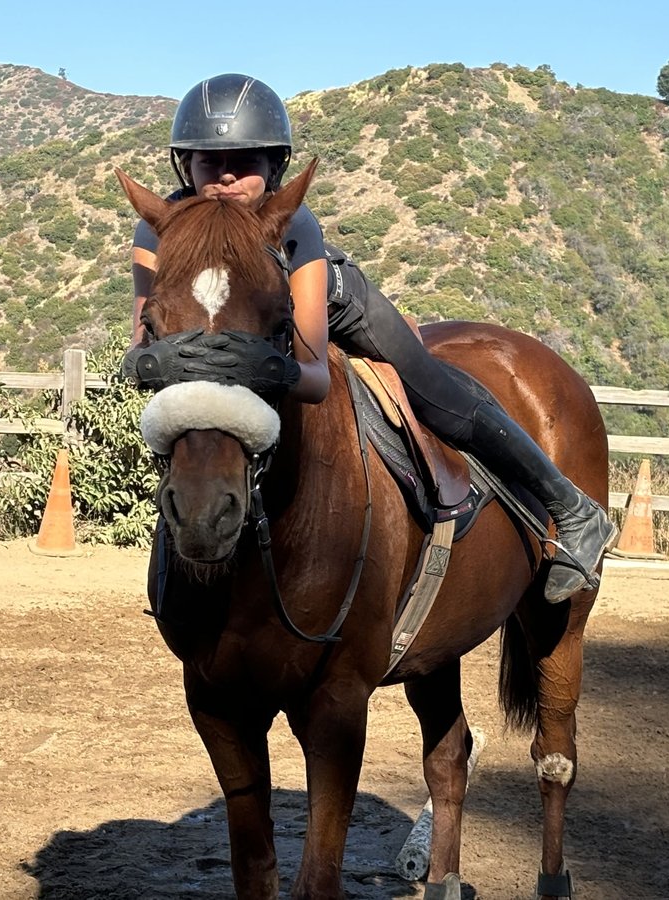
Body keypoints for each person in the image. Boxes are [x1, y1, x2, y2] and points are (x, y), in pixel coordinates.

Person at [128, 73, 616, 602]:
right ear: (185, 165)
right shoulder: (159, 229)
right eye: (209, 162)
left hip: (339, 304)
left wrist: (261, 367)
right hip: (242, 326)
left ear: (275, 168)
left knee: (433, 388)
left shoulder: (296, 226)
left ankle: (572, 509)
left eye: (244, 163)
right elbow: (145, 342)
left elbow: (313, 377)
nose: (225, 178)